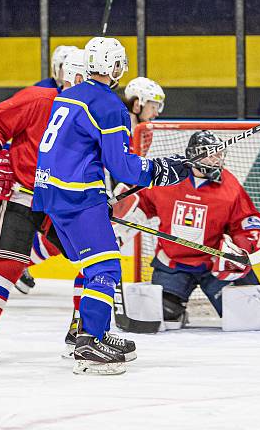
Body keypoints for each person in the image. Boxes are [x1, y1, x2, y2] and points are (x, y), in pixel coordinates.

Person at [32, 36, 190, 375]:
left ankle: (94, 334)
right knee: (104, 269)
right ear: (116, 67)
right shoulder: (108, 105)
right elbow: (124, 167)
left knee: (93, 266)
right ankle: (89, 344)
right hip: (77, 196)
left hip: (50, 192)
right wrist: (164, 169)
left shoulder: (68, 95)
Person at [0, 50, 87, 364]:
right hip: (23, 194)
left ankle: (83, 331)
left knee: (96, 259)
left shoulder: (93, 114)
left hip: (63, 200)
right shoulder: (37, 100)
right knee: (7, 266)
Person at [114, 130, 260, 325]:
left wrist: (241, 249)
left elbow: (246, 222)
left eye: (219, 154)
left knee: (248, 315)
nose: (217, 160)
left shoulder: (230, 186)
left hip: (213, 263)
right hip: (173, 264)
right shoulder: (169, 178)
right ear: (195, 154)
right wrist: (117, 227)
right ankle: (176, 307)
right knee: (165, 315)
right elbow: (139, 205)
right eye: (212, 154)